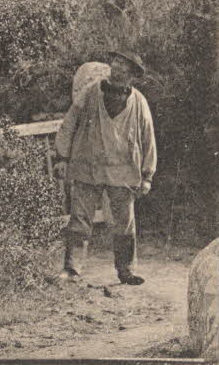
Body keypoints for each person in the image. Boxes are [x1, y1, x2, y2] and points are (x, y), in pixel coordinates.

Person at [54, 48, 156, 285]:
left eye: (124, 65)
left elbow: (148, 138)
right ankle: (72, 269)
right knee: (79, 219)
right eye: (116, 62)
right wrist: (62, 157)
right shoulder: (91, 93)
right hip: (88, 166)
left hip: (123, 171)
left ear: (132, 74)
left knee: (124, 223)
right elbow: (69, 124)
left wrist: (147, 175)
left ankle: (126, 270)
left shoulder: (139, 102)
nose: (117, 67)